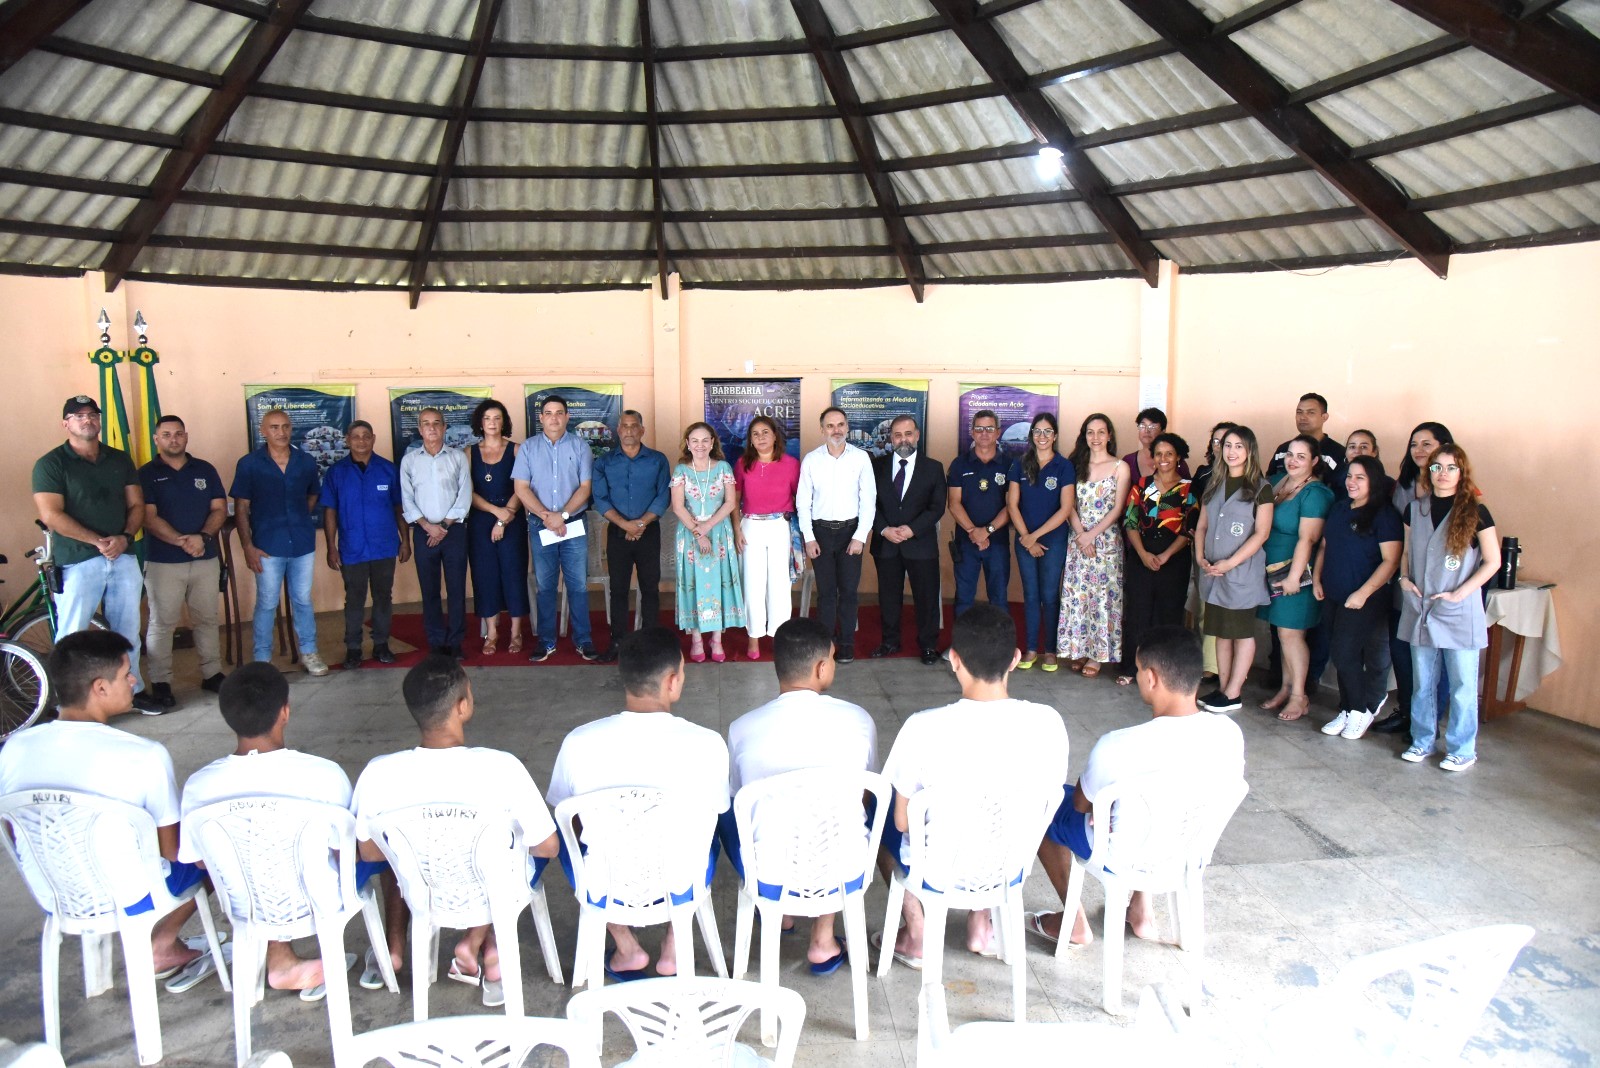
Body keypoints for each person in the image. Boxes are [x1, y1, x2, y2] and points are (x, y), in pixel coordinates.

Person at [0, 631, 213, 984]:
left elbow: (12, 829)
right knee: (209, 851)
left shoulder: (15, 749)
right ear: (100, 688)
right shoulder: (143, 756)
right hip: (130, 896)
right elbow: (173, 850)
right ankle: (161, 943)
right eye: (126, 673)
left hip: (55, 893)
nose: (133, 680)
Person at [351, 656, 560, 1006]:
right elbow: (548, 847)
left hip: (424, 896)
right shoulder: (502, 766)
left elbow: (370, 854)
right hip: (493, 894)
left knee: (395, 853)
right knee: (518, 849)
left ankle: (399, 947)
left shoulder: (378, 774)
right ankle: (485, 944)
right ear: (462, 706)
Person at [179, 662, 396, 995]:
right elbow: (348, 854)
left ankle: (279, 957)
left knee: (248, 860)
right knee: (385, 849)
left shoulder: (199, 786)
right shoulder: (324, 775)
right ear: (284, 712)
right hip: (320, 901)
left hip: (245, 903)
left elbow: (198, 863)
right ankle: (391, 948)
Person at [876, 604, 1069, 967]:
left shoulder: (922, 728)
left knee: (877, 813)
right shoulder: (1048, 723)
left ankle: (916, 930)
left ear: (954, 659)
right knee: (1002, 811)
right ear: (1014, 659)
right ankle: (982, 922)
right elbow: (1048, 800)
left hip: (937, 870)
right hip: (1009, 866)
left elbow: (902, 823)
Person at [1026, 627, 1244, 947]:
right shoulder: (1229, 734)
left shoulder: (1119, 746)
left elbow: (1081, 807)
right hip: (1185, 848)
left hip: (1120, 854)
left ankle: (1073, 921)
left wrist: (1106, 807)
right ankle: (1141, 910)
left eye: (1140, 670)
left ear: (1152, 678)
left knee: (1043, 804)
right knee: (1162, 807)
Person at [545, 628, 730, 980]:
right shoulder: (707, 744)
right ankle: (676, 939)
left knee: (565, 834)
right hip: (680, 879)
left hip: (605, 879)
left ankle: (625, 944)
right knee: (716, 822)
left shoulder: (578, 742)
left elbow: (567, 818)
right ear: (673, 681)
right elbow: (717, 814)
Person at [722, 617, 877, 973]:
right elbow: (868, 794)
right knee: (850, 810)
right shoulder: (859, 720)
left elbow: (738, 799)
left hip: (770, 868)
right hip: (843, 865)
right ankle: (823, 938)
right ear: (822, 667)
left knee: (729, 812)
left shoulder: (742, 728)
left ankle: (781, 911)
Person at [31, 395, 161, 712]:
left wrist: (125, 537)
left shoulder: (119, 460)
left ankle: (132, 693)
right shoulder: (50, 464)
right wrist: (97, 541)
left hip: (123, 556)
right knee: (73, 633)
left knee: (127, 628)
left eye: (92, 414)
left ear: (99, 420)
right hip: (77, 560)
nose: (87, 419)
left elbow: (136, 505)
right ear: (66, 423)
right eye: (78, 415)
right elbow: (51, 514)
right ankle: (68, 704)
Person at [1398, 444, 1500, 772]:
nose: (1443, 474)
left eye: (1451, 468)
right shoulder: (1415, 509)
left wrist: (1460, 594)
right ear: (1428, 471)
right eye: (1437, 467)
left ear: (1462, 473)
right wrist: (1403, 579)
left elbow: (1493, 561)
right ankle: (1423, 740)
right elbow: (1406, 551)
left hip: (1458, 609)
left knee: (1461, 684)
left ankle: (1462, 748)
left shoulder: (1476, 512)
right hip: (1421, 604)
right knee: (1423, 681)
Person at [1373, 421, 1455, 735]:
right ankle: (1408, 711)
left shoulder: (1457, 490)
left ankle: (1430, 720)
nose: (1419, 450)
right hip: (1405, 581)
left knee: (1439, 656)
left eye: (1427, 444)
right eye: (1414, 444)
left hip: (1441, 586)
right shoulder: (1402, 486)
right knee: (1403, 650)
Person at [231, 407, 326, 675]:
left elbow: (312, 496)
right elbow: (241, 508)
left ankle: (309, 652)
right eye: (274, 427)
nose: (281, 432)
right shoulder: (249, 464)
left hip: (302, 543)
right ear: (263, 431)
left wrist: (296, 518)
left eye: (285, 426)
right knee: (267, 602)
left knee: (303, 600)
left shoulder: (305, 461)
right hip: (267, 545)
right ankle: (262, 658)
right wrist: (247, 546)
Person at [139, 414, 226, 707]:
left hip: (205, 557)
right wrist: (181, 541)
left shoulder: (205, 469)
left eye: (178, 434)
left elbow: (219, 508)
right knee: (162, 623)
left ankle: (212, 673)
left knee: (207, 619)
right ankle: (161, 681)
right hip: (164, 560)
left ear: (186, 436)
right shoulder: (147, 473)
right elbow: (148, 517)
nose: (173, 439)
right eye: (166, 435)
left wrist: (201, 537)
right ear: (156, 439)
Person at [1313, 455, 1402, 740]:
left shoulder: (1384, 515)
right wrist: (1316, 579)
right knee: (1340, 654)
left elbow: (1390, 561)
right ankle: (1348, 708)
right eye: (1350, 476)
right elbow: (1325, 546)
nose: (1352, 482)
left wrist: (1362, 593)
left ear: (1373, 481)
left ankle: (1361, 709)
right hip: (1333, 593)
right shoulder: (1339, 509)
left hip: (1365, 597)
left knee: (1345, 653)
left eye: (1360, 477)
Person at [513, 394, 600, 663]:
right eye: (548, 413)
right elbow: (521, 488)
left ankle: (583, 640)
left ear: (567, 417)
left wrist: (561, 515)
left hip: (572, 524)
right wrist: (546, 516)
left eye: (559, 412)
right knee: (545, 585)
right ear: (540, 418)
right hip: (540, 525)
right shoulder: (528, 448)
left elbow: (585, 488)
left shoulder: (581, 447)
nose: (554, 417)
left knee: (578, 585)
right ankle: (546, 640)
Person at [1195, 426, 1274, 713]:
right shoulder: (1214, 484)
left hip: (1240, 574)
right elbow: (1202, 526)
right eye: (1227, 445)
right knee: (1220, 632)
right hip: (1213, 573)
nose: (1232, 451)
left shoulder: (1261, 488)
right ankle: (1223, 688)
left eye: (1239, 446)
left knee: (1240, 633)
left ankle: (1234, 691)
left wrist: (1230, 563)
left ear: (1250, 450)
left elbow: (1261, 533)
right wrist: (1201, 556)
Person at [1257, 435, 1335, 723]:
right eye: (1290, 453)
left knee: (1291, 634)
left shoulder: (1316, 493)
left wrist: (1293, 577)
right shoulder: (1278, 481)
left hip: (1297, 572)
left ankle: (1299, 696)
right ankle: (1286, 687)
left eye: (1302, 456)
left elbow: (1308, 538)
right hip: (1271, 568)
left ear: (1315, 461)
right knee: (1282, 633)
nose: (1293, 460)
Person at [320, 420, 409, 670]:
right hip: (352, 547)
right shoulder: (336, 473)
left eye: (366, 436)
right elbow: (330, 512)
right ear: (347, 439)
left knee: (383, 596)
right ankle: (353, 648)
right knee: (355, 598)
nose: (361, 441)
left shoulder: (388, 470)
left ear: (373, 438)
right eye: (356, 436)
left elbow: (398, 508)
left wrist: (406, 541)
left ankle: (381, 644)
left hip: (384, 546)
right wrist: (331, 546)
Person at [796, 407, 876, 664]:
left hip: (850, 532)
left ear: (847, 427)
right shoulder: (811, 460)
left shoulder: (861, 458)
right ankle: (826, 644)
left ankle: (847, 644)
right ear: (822, 430)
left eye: (840, 424)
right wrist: (808, 537)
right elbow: (802, 502)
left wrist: (860, 536)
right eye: (830, 426)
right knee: (827, 592)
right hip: (820, 533)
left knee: (850, 592)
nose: (836, 430)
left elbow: (869, 500)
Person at [1117, 433, 1196, 685]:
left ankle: (1164, 672)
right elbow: (1130, 522)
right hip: (1141, 555)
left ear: (1178, 457)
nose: (1163, 459)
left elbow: (1189, 529)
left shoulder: (1188, 489)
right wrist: (1142, 553)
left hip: (1174, 559)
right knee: (1138, 612)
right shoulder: (1140, 485)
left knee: (1168, 614)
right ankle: (1132, 667)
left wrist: (1165, 555)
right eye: (1159, 454)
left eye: (1169, 454)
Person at [593, 409, 672, 661]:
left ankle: (650, 643)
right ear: (618, 431)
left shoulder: (657, 460)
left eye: (633, 425)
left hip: (648, 532)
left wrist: (640, 524)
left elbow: (663, 496)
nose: (628, 430)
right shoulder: (604, 462)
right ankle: (618, 642)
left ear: (642, 430)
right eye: (624, 426)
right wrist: (626, 525)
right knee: (618, 589)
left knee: (649, 587)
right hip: (617, 533)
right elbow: (600, 499)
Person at [870, 416, 947, 665]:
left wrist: (912, 529)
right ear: (890, 438)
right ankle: (890, 641)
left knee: (926, 597)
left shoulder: (933, 467)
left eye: (908, 434)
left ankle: (928, 645)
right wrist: (883, 530)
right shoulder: (876, 466)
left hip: (920, 544)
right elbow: (868, 503)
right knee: (888, 597)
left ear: (917, 435)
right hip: (887, 544)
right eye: (897, 435)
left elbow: (937, 508)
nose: (903, 439)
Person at [1058, 413, 1130, 678]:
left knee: (1102, 598)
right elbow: (1068, 505)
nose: (1096, 437)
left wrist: (1092, 536)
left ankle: (1099, 655)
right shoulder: (1074, 464)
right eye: (1090, 432)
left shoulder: (1120, 467)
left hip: (1105, 543)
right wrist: (1080, 534)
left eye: (1101, 432)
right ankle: (1079, 649)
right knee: (1079, 597)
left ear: (1109, 435)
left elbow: (1118, 508)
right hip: (1077, 540)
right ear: (1084, 435)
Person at [670, 422, 745, 663]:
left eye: (705, 440)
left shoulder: (723, 467)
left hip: (719, 532)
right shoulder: (681, 470)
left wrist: (708, 527)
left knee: (718, 583)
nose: (700, 445)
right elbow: (678, 506)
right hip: (690, 535)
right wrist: (698, 532)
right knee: (692, 583)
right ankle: (695, 639)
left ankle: (716, 639)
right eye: (695, 440)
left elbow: (730, 503)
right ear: (688, 444)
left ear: (712, 443)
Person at [400, 408, 471, 660]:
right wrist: (427, 526)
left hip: (453, 532)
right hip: (423, 532)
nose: (431, 428)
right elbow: (406, 499)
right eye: (426, 424)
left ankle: (455, 642)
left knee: (455, 589)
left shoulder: (458, 457)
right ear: (420, 429)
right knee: (429, 590)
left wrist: (444, 525)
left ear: (444, 428)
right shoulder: (409, 461)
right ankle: (436, 641)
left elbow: (464, 494)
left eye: (436, 423)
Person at [1006, 412, 1074, 670]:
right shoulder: (1019, 464)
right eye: (1037, 431)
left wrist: (1034, 536)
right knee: (1031, 594)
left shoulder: (1064, 466)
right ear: (1031, 435)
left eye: (1047, 432)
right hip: (1025, 540)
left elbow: (1065, 508)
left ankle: (1051, 650)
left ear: (1055, 436)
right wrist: (1026, 538)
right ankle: (1031, 648)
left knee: (1049, 594)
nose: (1042, 436)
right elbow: (1012, 504)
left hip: (1053, 540)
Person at [732, 415, 800, 661]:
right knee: (753, 582)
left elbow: (799, 499)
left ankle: (780, 636)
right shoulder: (742, 464)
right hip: (750, 526)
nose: (760, 438)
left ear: (774, 436)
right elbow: (734, 500)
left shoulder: (791, 464)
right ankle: (754, 636)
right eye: (755, 434)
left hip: (780, 527)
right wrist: (737, 529)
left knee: (779, 585)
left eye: (765, 432)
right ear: (750, 440)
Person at [466, 399, 529, 656]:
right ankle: (492, 632)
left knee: (513, 573)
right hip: (481, 520)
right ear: (480, 423)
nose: (492, 423)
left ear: (504, 421)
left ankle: (516, 631)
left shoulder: (517, 450)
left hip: (512, 518)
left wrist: (505, 517)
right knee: (485, 575)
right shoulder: (469, 453)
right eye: (487, 418)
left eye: (497, 418)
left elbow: (523, 486)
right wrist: (495, 514)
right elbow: (467, 492)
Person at [946, 409, 1011, 627]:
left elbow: (1012, 505)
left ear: (998, 432)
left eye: (989, 428)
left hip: (998, 543)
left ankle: (1000, 649)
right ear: (972, 433)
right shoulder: (959, 464)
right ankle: (961, 650)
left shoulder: (1010, 464)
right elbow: (953, 503)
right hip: (966, 542)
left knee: (999, 599)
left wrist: (987, 531)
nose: (984, 433)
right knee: (964, 598)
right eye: (979, 428)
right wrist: (974, 532)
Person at [1266, 393, 1343, 479]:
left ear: (1324, 417)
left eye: (1311, 413)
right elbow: (1269, 483)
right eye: (1299, 412)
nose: (1303, 417)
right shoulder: (1283, 450)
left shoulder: (1338, 453)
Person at [1121, 408, 1190, 482]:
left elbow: (1188, 489)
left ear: (1163, 431)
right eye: (1142, 426)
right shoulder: (1128, 460)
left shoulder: (1175, 462)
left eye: (1152, 427)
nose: (1147, 430)